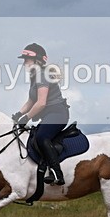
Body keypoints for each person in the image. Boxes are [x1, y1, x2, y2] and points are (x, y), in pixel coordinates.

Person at [13, 43, 69, 185]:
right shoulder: (35, 77)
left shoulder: (43, 75)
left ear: (37, 60)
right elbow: (31, 101)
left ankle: (57, 173)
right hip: (49, 115)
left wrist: (26, 118)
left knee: (42, 137)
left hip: (57, 113)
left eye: (27, 59)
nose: (24, 62)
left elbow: (41, 103)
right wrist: (18, 114)